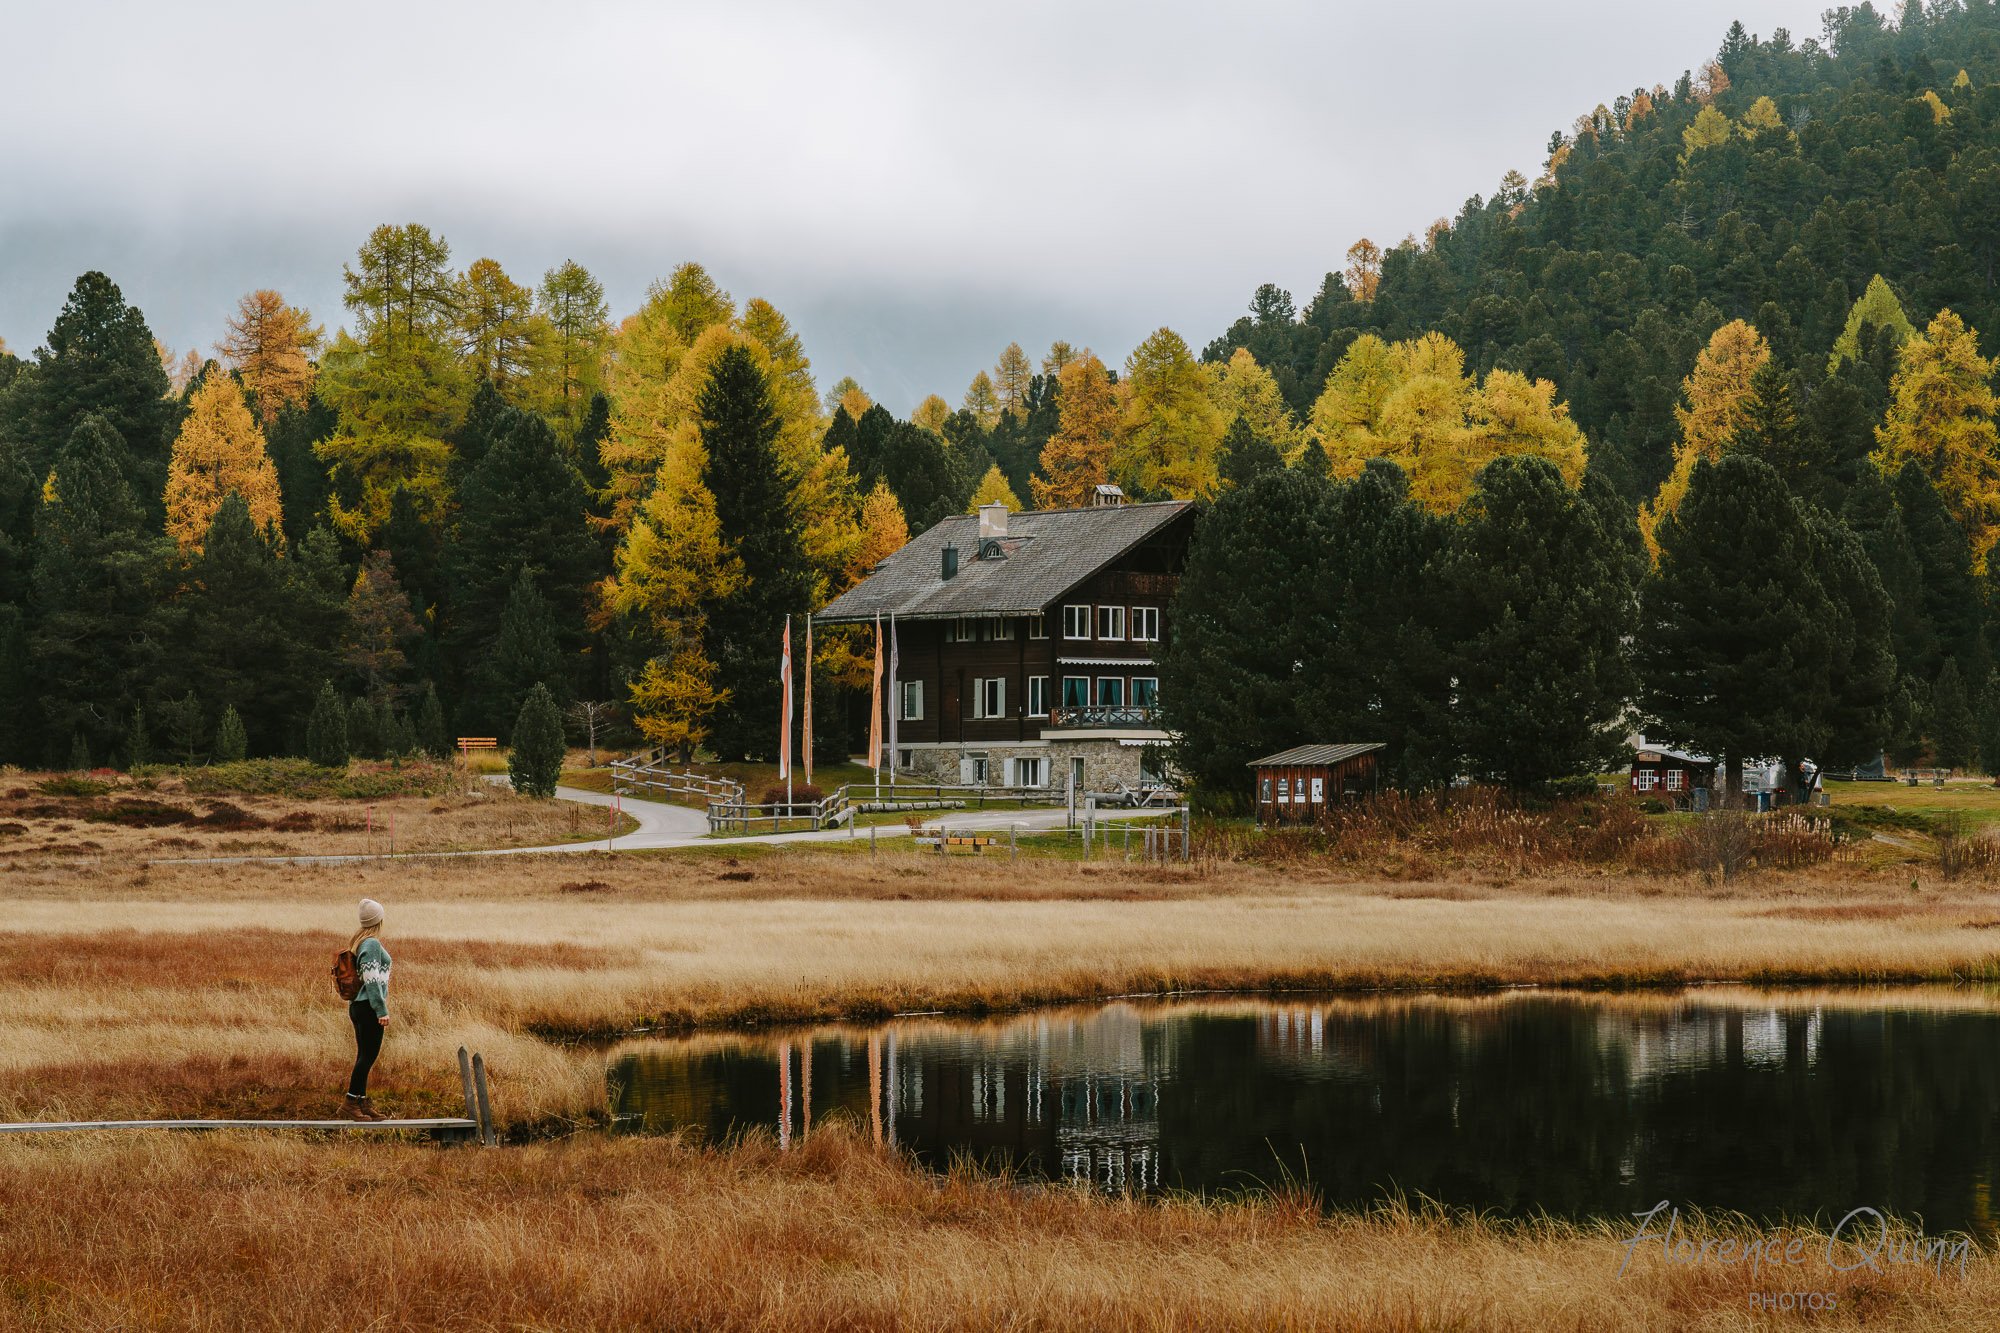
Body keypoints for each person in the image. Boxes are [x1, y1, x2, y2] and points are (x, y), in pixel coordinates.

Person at [343, 898, 393, 1121]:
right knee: (367, 1057)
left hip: (359, 1007)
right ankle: (350, 1103)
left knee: (364, 1056)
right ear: (378, 920)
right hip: (368, 1008)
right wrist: (381, 1009)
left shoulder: (361, 941)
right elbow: (372, 980)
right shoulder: (371, 944)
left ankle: (361, 1103)